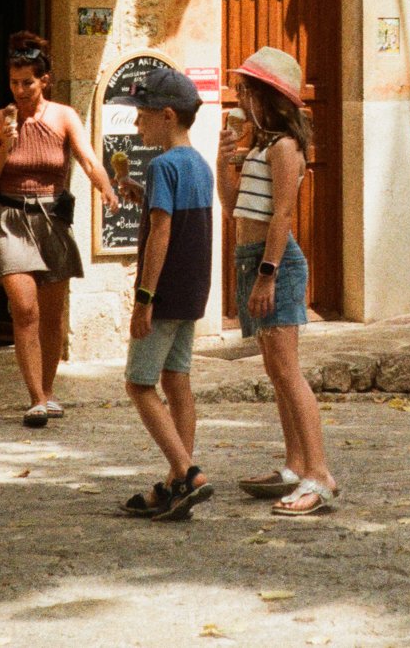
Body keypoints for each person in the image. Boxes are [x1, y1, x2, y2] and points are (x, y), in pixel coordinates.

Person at [0, 30, 118, 428]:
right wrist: (5, 145)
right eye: (14, 83)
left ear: (45, 80)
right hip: (10, 220)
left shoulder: (63, 117)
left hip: (52, 220)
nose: (20, 90)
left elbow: (89, 160)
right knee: (25, 309)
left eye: (28, 82)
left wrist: (105, 187)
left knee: (52, 317)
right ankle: (36, 398)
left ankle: (49, 390)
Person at [225, 47, 339, 516]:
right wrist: (221, 160)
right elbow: (234, 203)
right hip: (251, 258)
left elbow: (283, 215)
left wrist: (267, 275)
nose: (240, 97)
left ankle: (320, 475)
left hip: (275, 263)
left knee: (288, 372)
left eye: (246, 89)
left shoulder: (286, 148)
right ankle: (294, 465)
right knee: (275, 370)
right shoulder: (259, 147)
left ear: (266, 97)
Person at [116, 66, 214, 521]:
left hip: (166, 291)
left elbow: (161, 231)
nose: (138, 125)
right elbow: (181, 221)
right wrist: (139, 194)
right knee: (177, 380)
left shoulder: (161, 165)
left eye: (143, 115)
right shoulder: (198, 163)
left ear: (168, 116)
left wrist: (144, 297)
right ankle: (178, 486)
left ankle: (186, 470)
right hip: (193, 289)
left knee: (139, 383)